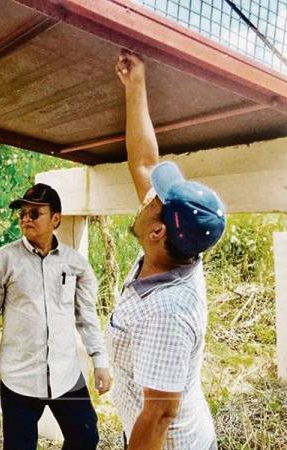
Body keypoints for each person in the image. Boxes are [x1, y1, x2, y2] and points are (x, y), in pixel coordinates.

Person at [109, 50, 225, 450]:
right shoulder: (180, 244)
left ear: (157, 231)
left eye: (154, 200)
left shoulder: (167, 314)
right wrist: (136, 84)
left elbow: (158, 417)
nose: (145, 195)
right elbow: (145, 164)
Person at [0, 183, 111, 450]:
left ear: (55, 219)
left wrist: (100, 360)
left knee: (86, 437)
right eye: (22, 213)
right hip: (19, 377)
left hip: (66, 375)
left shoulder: (74, 263)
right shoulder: (4, 260)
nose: (26, 218)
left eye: (35, 213)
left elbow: (86, 315)